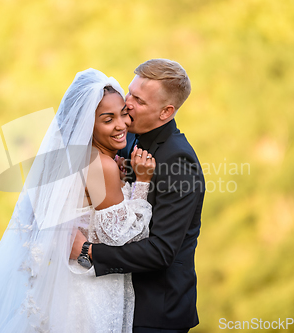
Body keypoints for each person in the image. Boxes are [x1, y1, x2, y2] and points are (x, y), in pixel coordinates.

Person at [0, 68, 156, 333]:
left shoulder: (63, 159)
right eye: (108, 119)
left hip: (58, 287)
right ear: (88, 124)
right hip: (88, 289)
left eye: (123, 113)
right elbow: (126, 236)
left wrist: (119, 182)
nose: (121, 125)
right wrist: (141, 182)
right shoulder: (102, 165)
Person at [71, 59, 205, 333]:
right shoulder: (127, 139)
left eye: (139, 101)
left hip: (155, 313)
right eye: (130, 92)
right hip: (115, 302)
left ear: (166, 111)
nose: (127, 103)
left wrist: (90, 252)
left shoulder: (177, 160)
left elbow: (161, 251)